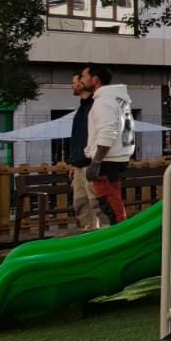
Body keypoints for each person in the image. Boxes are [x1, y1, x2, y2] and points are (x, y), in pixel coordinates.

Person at [82, 64, 136, 225]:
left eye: (84, 77)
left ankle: (121, 234)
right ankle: (120, 229)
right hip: (119, 156)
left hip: (107, 159)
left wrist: (96, 161)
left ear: (95, 80)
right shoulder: (119, 99)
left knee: (109, 205)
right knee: (113, 202)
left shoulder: (103, 102)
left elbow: (107, 133)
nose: (81, 80)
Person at [67, 72, 99, 230]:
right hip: (79, 164)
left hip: (91, 163)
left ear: (83, 83)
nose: (72, 86)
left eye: (75, 82)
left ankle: (101, 232)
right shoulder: (82, 108)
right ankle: (88, 229)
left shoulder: (95, 106)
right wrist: (73, 163)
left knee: (96, 203)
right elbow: (78, 137)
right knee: (81, 203)